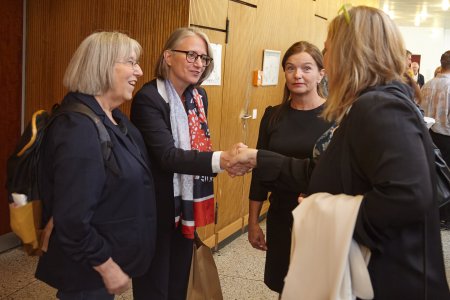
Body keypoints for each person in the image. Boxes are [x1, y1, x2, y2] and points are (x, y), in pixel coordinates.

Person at [231, 6, 450, 298]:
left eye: (327, 49)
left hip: (386, 278)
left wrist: (324, 211)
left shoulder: (380, 107)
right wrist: (259, 157)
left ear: (349, 52)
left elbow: (409, 196)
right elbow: (323, 170)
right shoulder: (368, 104)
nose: (327, 60)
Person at [35, 32, 157, 299]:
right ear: (102, 66)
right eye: (131, 62)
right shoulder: (78, 128)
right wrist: (106, 265)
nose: (140, 70)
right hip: (88, 274)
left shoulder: (114, 120)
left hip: (107, 263)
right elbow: (72, 220)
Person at [130, 27, 245, 299]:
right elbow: (167, 156)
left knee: (180, 279)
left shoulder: (198, 96)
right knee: (155, 284)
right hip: (156, 207)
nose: (198, 64)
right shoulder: (149, 99)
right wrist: (222, 160)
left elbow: (197, 145)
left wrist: (222, 160)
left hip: (186, 205)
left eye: (204, 58)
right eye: (191, 55)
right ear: (168, 57)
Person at [247, 41, 332, 294]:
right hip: (282, 215)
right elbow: (259, 172)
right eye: (291, 68)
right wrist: (253, 222)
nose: (298, 75)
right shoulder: (273, 115)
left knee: (316, 288)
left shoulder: (337, 116)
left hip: (320, 217)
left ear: (321, 73)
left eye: (306, 68)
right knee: (285, 286)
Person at [420, 50, 450, 228]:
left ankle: (434, 214)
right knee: (446, 176)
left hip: (428, 134)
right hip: (446, 136)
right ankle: (446, 217)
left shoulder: (428, 84)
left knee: (432, 174)